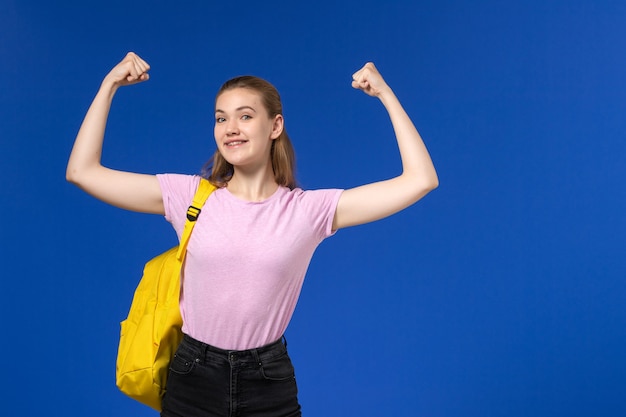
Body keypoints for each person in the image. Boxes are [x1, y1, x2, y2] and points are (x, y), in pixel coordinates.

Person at [66, 52, 438, 417]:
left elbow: (420, 180)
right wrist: (108, 85)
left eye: (245, 116)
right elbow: (82, 171)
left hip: (268, 380)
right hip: (192, 375)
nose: (230, 128)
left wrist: (386, 96)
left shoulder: (309, 211)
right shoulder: (188, 197)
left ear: (275, 126)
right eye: (220, 118)